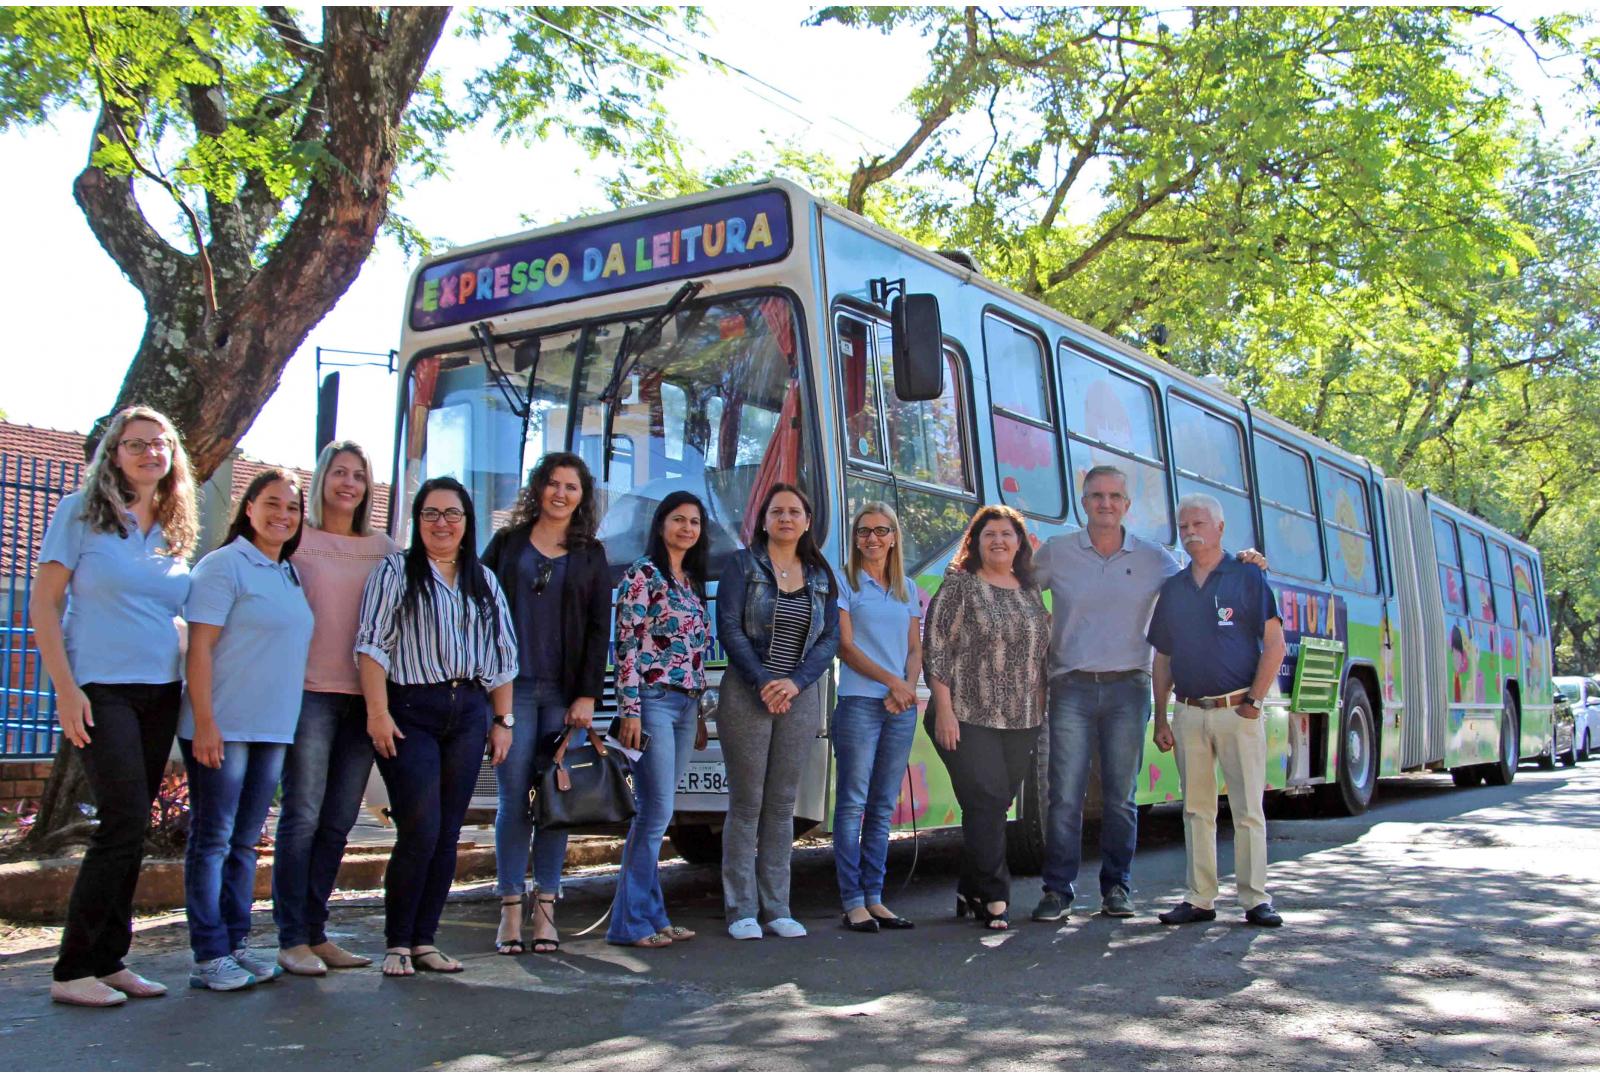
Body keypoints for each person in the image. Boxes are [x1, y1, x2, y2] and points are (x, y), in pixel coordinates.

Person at [34, 406, 199, 1007]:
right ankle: (71, 968)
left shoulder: (174, 525)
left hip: (160, 691)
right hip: (100, 687)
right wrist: (66, 689)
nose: (150, 453)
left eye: (160, 444)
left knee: (133, 827)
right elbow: (45, 606)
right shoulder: (79, 514)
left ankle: (110, 959)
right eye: (136, 444)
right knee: (123, 819)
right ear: (113, 452)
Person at [356, 478, 518, 976]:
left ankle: (425, 939)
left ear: (467, 523)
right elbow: (371, 645)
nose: (442, 523)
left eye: (452, 514)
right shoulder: (395, 572)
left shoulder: (483, 580)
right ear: (417, 520)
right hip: (411, 712)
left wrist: (503, 720)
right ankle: (397, 943)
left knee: (448, 833)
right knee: (420, 828)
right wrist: (378, 713)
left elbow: (502, 657)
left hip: (468, 713)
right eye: (430, 513)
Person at [180, 469, 315, 991]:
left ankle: (236, 944)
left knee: (244, 844)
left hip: (271, 729)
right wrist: (206, 724)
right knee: (212, 840)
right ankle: (208, 955)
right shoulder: (223, 566)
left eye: (292, 508)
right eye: (272, 504)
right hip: (224, 727)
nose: (283, 515)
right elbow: (199, 649)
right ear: (249, 506)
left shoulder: (287, 573)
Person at [272, 441, 398, 976]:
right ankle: (290, 937)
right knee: (301, 814)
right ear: (322, 479)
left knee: (340, 820)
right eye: (339, 473)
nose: (349, 483)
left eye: (359, 475)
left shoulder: (385, 548)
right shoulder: (296, 541)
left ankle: (316, 932)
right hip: (307, 694)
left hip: (365, 699)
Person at [480, 452, 611, 955]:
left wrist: (587, 695)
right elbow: (479, 607)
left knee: (556, 803)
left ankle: (547, 911)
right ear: (538, 489)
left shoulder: (591, 554)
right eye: (552, 484)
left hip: (563, 695)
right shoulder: (508, 545)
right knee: (513, 801)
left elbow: (601, 627)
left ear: (582, 497)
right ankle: (511, 909)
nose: (561, 494)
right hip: (510, 692)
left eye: (571, 487)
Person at [1148, 493, 1287, 929]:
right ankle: (1200, 898)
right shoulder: (1173, 588)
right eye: (1184, 526)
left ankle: (1255, 899)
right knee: (1196, 810)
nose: (1191, 532)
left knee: (1247, 809)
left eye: (1199, 524)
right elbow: (1162, 658)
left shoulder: (1247, 576)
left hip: (1237, 711)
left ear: (1220, 527)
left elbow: (1275, 645)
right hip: (1189, 712)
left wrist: (1254, 703)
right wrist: (1162, 715)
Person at [716, 483, 840, 940]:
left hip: (800, 695)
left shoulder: (821, 573)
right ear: (763, 520)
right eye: (776, 511)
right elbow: (728, 627)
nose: (786, 518)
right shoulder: (741, 565)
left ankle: (778, 907)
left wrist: (796, 682)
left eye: (794, 512)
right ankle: (741, 910)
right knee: (747, 804)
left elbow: (829, 638)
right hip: (748, 692)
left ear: (807, 521)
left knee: (783, 805)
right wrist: (764, 680)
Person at [922, 505, 1051, 931]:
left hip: (1022, 718)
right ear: (975, 544)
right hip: (965, 714)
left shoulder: (1028, 588)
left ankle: (968, 886)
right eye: (989, 534)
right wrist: (944, 710)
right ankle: (995, 895)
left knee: (990, 805)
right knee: (990, 798)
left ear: (1020, 542)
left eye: (1007, 534)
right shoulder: (959, 586)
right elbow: (937, 649)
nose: (998, 541)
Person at [606, 492, 713, 949]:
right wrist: (627, 709)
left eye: (694, 521)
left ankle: (653, 917)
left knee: (659, 814)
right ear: (661, 524)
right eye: (678, 519)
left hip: (688, 705)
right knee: (654, 814)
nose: (687, 528)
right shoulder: (642, 575)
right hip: (651, 702)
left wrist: (703, 711)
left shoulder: (689, 580)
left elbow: (694, 653)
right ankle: (630, 924)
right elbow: (625, 646)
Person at [832, 502, 922, 933]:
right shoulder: (845, 581)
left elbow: (916, 647)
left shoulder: (907, 587)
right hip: (859, 704)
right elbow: (845, 648)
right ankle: (852, 901)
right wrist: (894, 683)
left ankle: (875, 897)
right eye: (864, 531)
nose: (872, 538)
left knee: (883, 806)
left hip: (899, 708)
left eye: (881, 530)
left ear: (894, 537)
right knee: (852, 803)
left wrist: (906, 688)